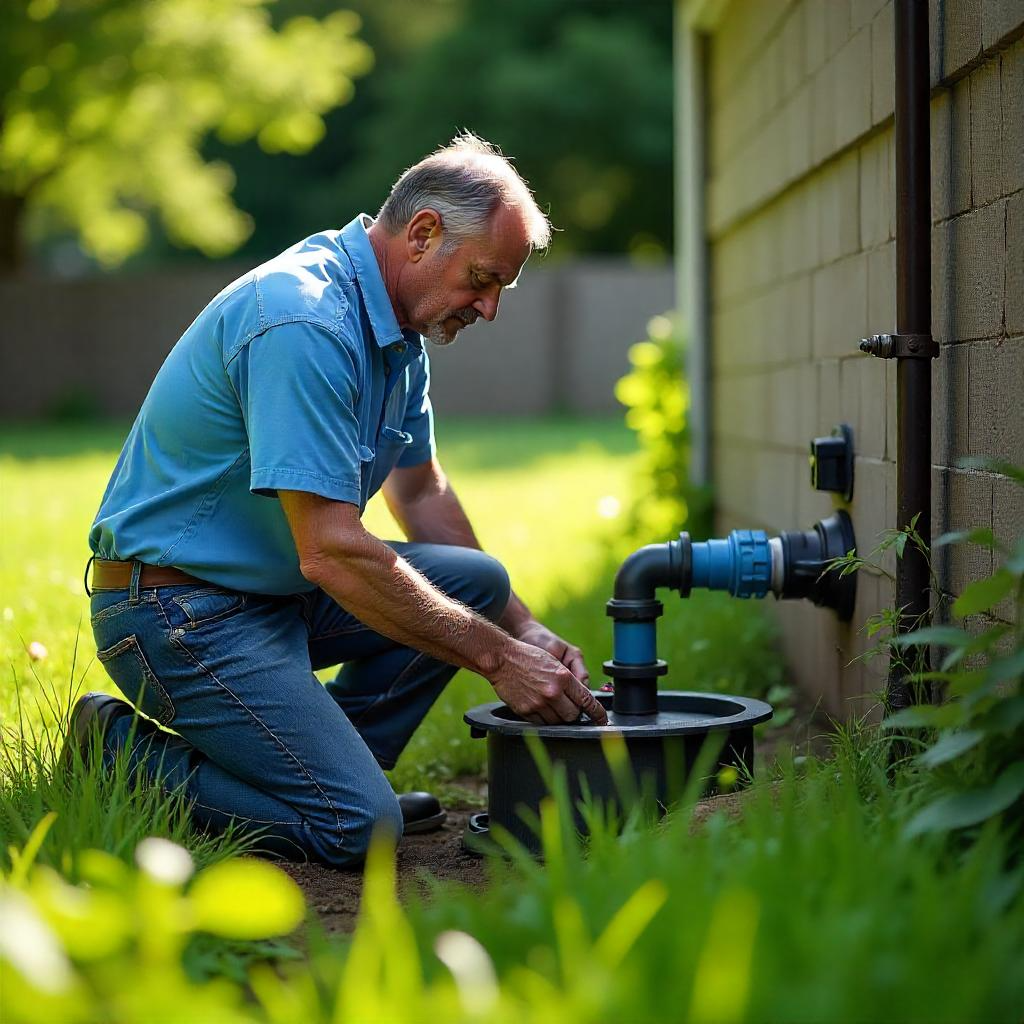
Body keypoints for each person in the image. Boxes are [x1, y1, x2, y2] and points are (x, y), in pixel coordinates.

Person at [72, 132, 608, 868]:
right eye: (483, 280)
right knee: (363, 833)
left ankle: (327, 775)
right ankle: (120, 754)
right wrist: (499, 660)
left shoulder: (397, 329)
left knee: (478, 583)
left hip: (266, 595)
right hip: (177, 613)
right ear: (422, 234)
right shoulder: (305, 320)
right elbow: (329, 550)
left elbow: (420, 492)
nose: (488, 310)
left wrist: (526, 631)